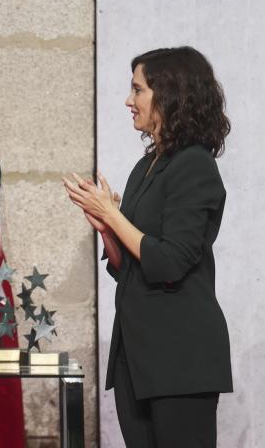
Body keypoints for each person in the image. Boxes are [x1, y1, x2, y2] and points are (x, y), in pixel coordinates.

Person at [63, 46, 232, 447]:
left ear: (170, 95)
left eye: (137, 90)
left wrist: (113, 214)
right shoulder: (148, 164)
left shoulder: (195, 165)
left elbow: (170, 261)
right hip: (136, 357)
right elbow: (129, 266)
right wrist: (106, 226)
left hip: (180, 356)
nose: (128, 100)